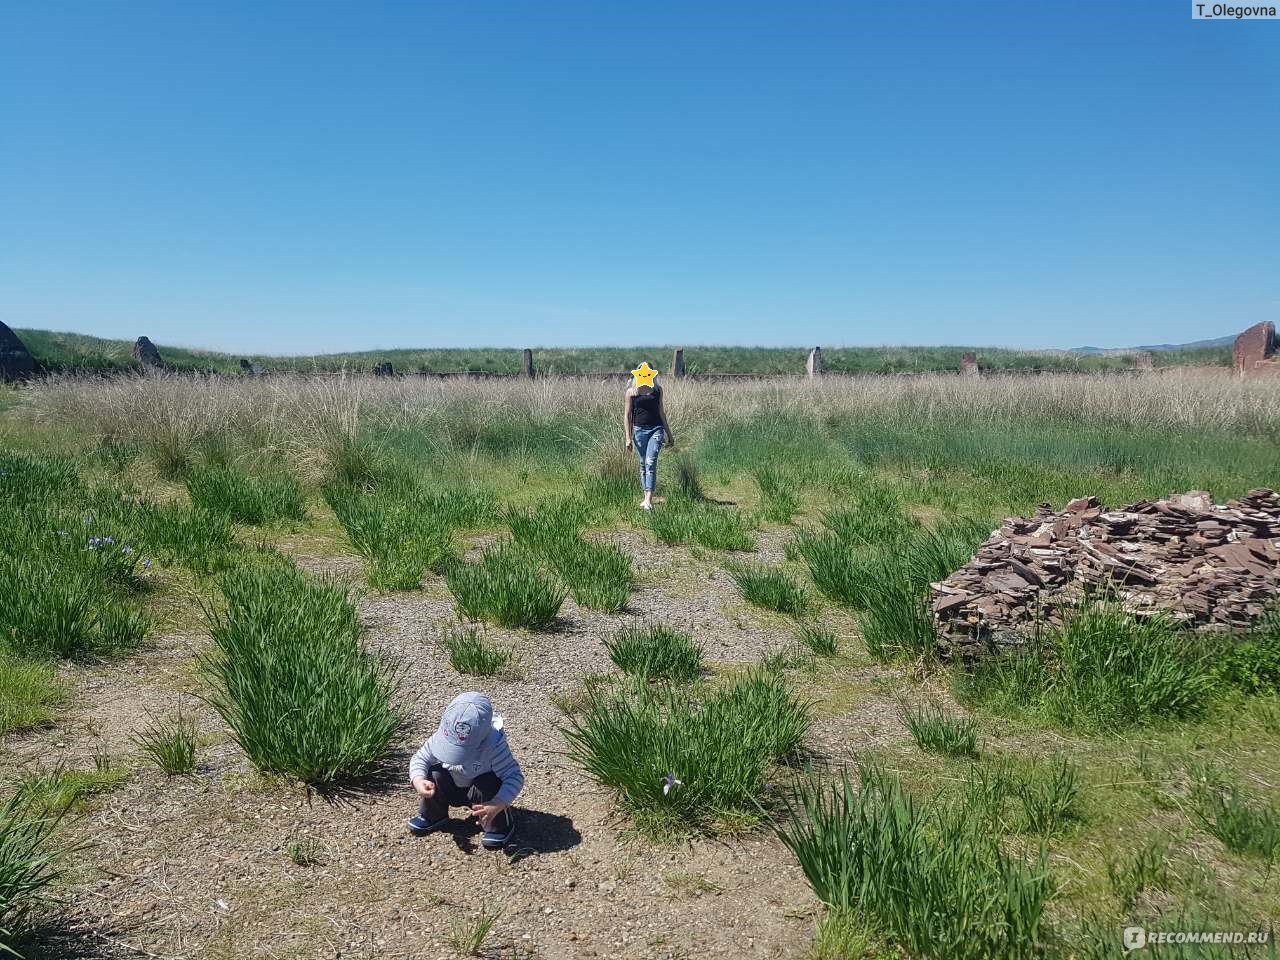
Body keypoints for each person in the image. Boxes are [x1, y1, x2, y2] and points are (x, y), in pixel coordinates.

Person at [407, 692, 523, 849]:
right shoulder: (442, 735)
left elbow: (514, 776)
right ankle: (434, 814)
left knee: (489, 783)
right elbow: (420, 759)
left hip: (481, 795)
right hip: (452, 786)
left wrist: (498, 803)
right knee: (434, 773)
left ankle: (498, 824)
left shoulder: (493, 746)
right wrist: (418, 780)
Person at [624, 368, 675, 510]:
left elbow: (661, 412)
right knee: (643, 464)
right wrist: (628, 437)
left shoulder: (657, 391)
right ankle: (645, 495)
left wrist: (669, 434)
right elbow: (627, 416)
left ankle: (648, 500)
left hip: (656, 429)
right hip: (639, 431)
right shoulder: (631, 393)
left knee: (650, 462)